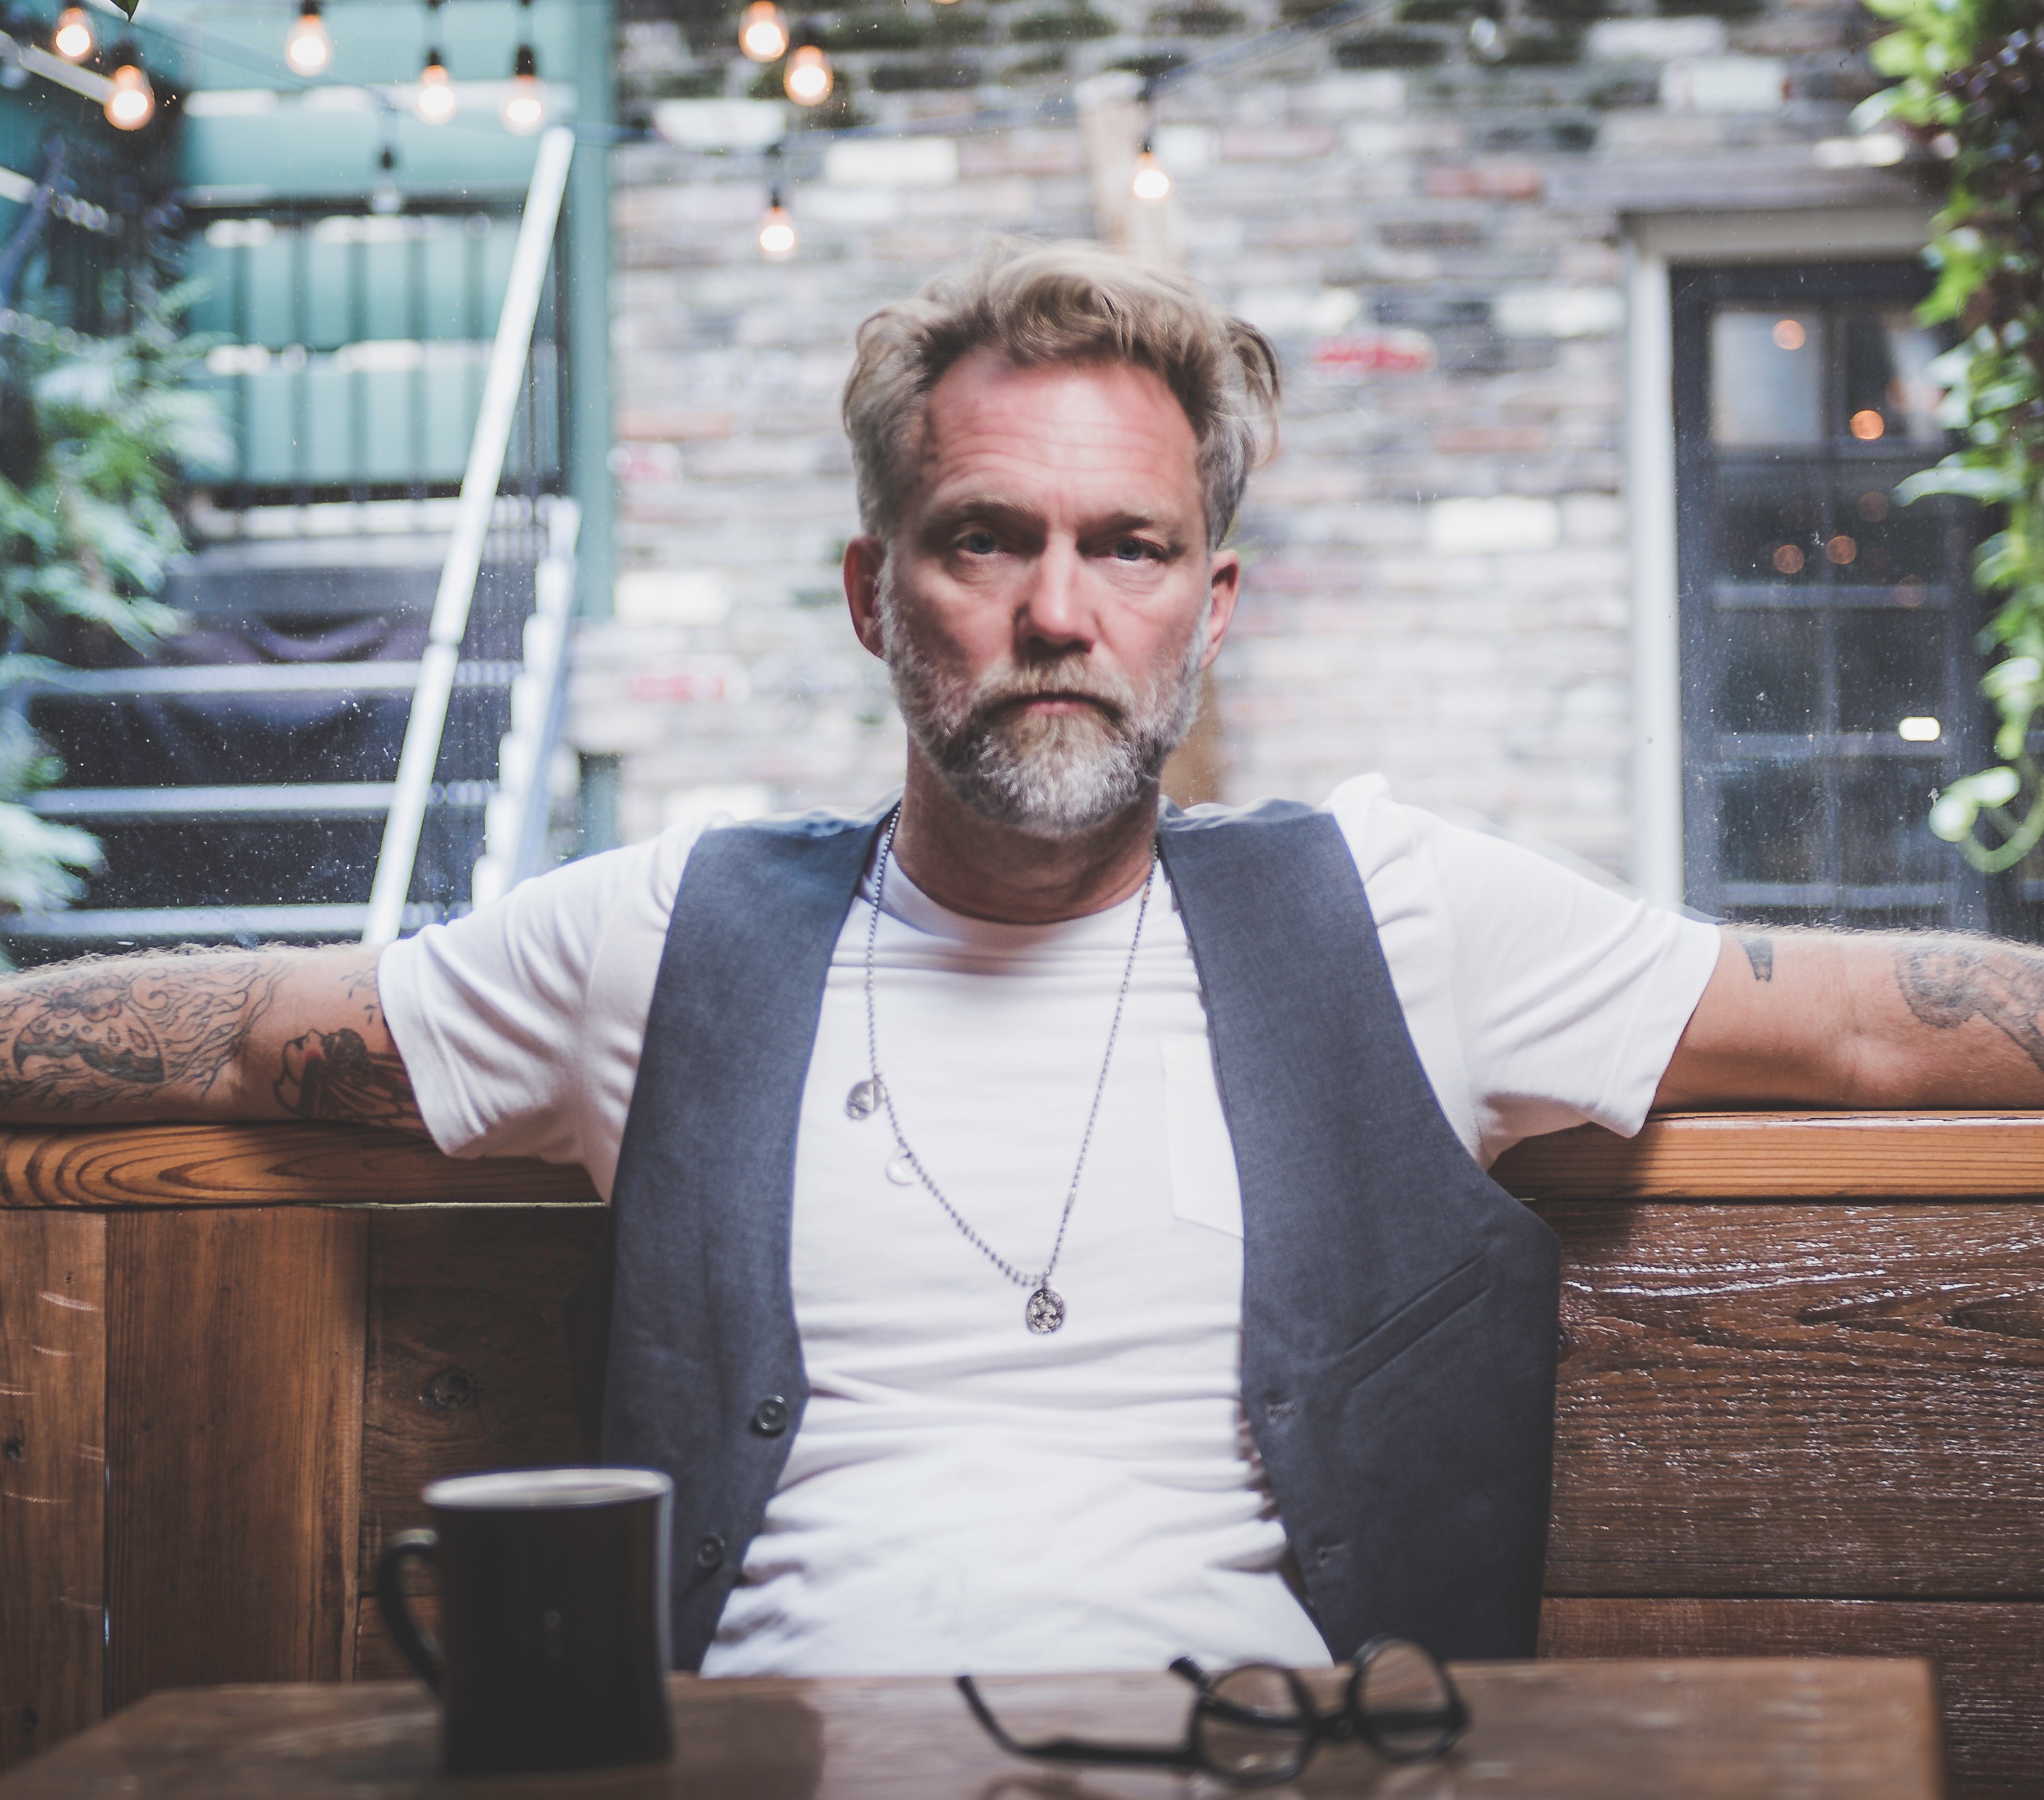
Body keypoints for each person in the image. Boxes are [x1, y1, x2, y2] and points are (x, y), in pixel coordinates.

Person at [5, 243, 2043, 1679]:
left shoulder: (1400, 914)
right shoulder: (670, 934)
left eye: (1129, 548)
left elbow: (1871, 1032)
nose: (1059, 609)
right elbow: (270, 1037)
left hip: (1278, 1763)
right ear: (873, 597)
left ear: (1210, 604)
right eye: (985, 538)